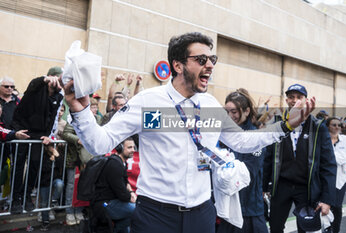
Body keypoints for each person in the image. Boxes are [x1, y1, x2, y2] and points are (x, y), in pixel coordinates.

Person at [63, 32, 315, 233]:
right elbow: (99, 143)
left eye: (212, 60)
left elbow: (241, 141)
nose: (210, 66)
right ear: (178, 65)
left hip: (202, 214)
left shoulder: (210, 106)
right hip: (155, 216)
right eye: (201, 60)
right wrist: (81, 110)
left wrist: (286, 125)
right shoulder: (148, 102)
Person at [263, 84, 336, 233]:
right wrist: (263, 188)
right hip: (281, 185)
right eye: (291, 97)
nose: (294, 100)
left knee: (306, 228)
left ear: (306, 100)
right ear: (287, 100)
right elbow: (268, 158)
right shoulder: (278, 123)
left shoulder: (318, 126)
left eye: (299, 97)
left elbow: (328, 164)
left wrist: (327, 199)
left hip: (306, 187)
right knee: (275, 227)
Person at [10, 68, 64, 214]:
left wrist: (47, 135)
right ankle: (15, 199)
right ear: (52, 77)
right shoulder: (37, 86)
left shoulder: (58, 96)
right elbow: (33, 84)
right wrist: (44, 79)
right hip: (22, 129)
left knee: (34, 165)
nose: (59, 83)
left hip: (39, 134)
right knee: (19, 166)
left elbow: (52, 117)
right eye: (58, 79)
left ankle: (26, 196)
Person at [217, 89, 268, 233]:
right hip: (225, 208)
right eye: (226, 112)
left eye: (234, 112)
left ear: (246, 111)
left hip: (249, 208)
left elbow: (246, 173)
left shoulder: (256, 137)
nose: (229, 116)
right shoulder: (221, 135)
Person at [91, 137, 136, 233]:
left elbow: (125, 180)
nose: (133, 150)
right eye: (129, 147)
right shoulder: (115, 165)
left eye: (133, 147)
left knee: (127, 223)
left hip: (112, 200)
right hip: (104, 204)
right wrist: (131, 198)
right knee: (136, 209)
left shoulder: (121, 162)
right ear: (120, 148)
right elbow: (122, 194)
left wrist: (131, 192)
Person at [326, 117, 346, 233]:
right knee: (326, 205)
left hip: (340, 179)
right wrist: (342, 157)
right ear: (327, 127)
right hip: (325, 179)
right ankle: (327, 228)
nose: (337, 127)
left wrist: (340, 157)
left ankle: (336, 230)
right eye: (333, 125)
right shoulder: (323, 140)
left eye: (339, 125)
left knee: (337, 206)